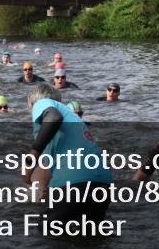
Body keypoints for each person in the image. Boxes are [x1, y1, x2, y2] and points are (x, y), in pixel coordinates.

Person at [20, 84, 113, 217]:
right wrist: (33, 184)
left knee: (46, 231)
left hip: (76, 183)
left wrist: (31, 156)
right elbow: (44, 171)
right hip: (104, 184)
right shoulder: (72, 121)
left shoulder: (42, 104)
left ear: (31, 103)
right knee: (90, 234)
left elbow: (54, 117)